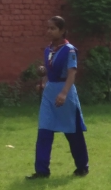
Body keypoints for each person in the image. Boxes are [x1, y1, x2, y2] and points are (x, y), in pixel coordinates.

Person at [27, 16, 89, 179]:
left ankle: (82, 166)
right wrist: (44, 84)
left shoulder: (69, 50)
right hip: (49, 94)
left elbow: (72, 73)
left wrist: (64, 93)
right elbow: (49, 73)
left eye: (53, 28)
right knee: (44, 131)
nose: (49, 31)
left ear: (62, 31)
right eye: (48, 28)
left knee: (72, 131)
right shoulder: (48, 50)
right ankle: (42, 170)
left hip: (65, 93)